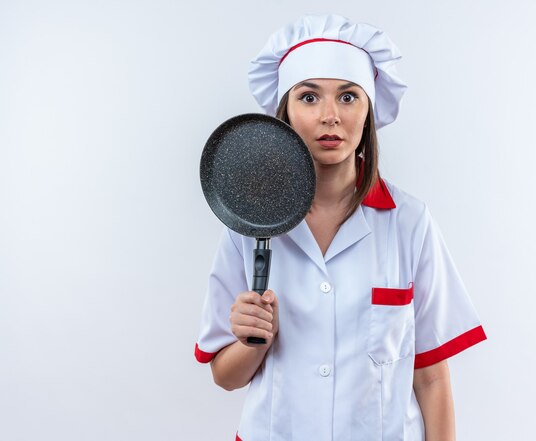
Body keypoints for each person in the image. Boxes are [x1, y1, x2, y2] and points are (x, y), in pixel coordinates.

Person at [195, 14, 486, 441]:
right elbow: (226, 376)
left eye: (348, 97)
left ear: (369, 109)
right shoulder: (248, 222)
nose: (330, 116)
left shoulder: (409, 222)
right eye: (309, 98)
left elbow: (431, 377)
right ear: (285, 113)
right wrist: (253, 338)